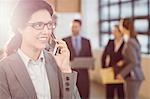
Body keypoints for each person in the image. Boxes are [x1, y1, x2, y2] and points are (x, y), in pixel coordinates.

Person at [0, 0, 81, 99]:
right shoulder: (4, 69)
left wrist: (65, 69)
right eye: (38, 25)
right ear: (20, 28)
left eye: (49, 25)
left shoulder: (56, 63)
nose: (46, 32)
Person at [63, 19, 92, 99]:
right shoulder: (64, 41)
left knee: (84, 95)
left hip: (84, 75)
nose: (74, 29)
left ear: (80, 28)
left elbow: (90, 57)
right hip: (70, 74)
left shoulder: (87, 41)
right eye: (72, 27)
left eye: (76, 27)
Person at [117, 18, 145, 99]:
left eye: (120, 24)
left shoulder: (130, 42)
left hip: (133, 76)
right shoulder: (131, 40)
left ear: (124, 26)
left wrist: (122, 74)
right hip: (134, 76)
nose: (119, 26)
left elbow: (134, 62)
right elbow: (132, 58)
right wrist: (124, 61)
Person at [101, 25, 125, 99]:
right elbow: (104, 55)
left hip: (119, 72)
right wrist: (104, 68)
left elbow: (127, 59)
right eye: (113, 31)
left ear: (121, 33)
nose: (114, 33)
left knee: (120, 93)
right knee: (109, 94)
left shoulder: (125, 44)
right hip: (109, 71)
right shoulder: (110, 42)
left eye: (116, 31)